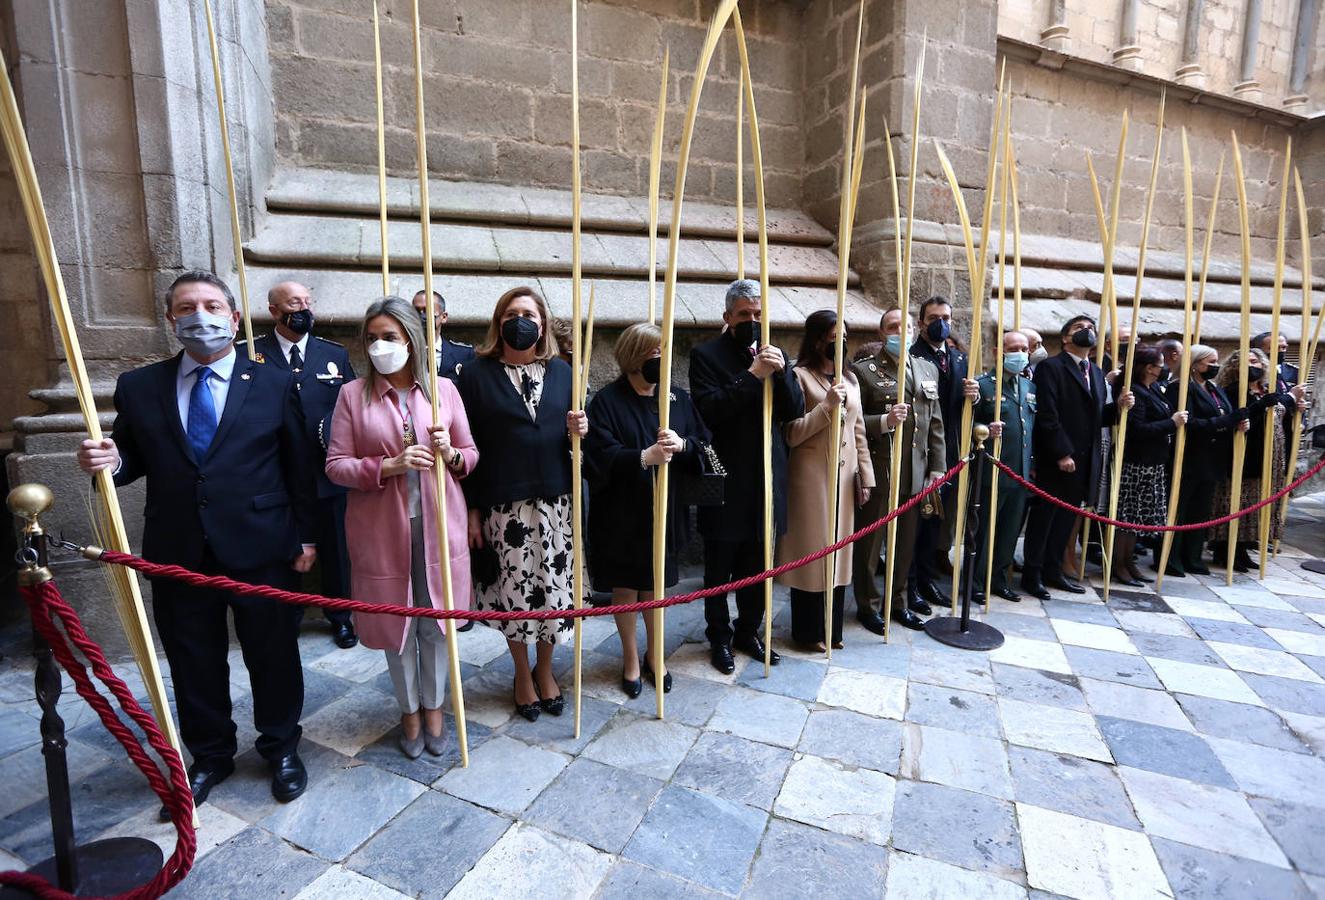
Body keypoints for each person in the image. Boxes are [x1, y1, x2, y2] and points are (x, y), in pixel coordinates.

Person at [77, 270, 316, 813]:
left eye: (211, 306)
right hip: (178, 547)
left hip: (262, 545)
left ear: (234, 319)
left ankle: (280, 746)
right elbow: (128, 459)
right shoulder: (141, 387)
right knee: (192, 657)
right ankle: (210, 753)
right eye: (186, 307)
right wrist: (107, 465)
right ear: (171, 319)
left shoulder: (275, 383)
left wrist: (307, 539)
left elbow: (300, 468)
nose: (199, 316)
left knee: (272, 653)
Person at [326, 297, 473, 758]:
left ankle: (434, 707)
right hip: (381, 531)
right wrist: (387, 465)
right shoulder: (353, 394)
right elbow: (335, 465)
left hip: (438, 526)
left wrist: (450, 454)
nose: (379, 346)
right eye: (371, 338)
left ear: (411, 338)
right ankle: (408, 710)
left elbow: (470, 455)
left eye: (389, 337)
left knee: (435, 624)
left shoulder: (443, 390)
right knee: (399, 625)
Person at [456, 286, 587, 720]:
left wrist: (579, 430)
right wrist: (472, 509)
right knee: (515, 595)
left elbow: (577, 446)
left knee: (554, 594)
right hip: (503, 506)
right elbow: (467, 446)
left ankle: (546, 670)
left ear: (543, 323)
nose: (520, 320)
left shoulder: (564, 373)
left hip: (557, 503)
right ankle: (521, 673)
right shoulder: (474, 375)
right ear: (499, 322)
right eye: (511, 313)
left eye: (529, 313)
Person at [584, 323, 709, 696]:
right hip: (621, 512)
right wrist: (643, 456)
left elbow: (704, 442)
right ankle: (630, 658)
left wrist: (683, 444)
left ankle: (656, 655)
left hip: (663, 508)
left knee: (655, 587)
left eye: (664, 353)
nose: (660, 360)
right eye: (654, 354)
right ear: (634, 357)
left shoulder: (675, 398)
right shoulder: (608, 401)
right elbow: (598, 454)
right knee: (626, 588)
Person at [689, 279, 804, 673]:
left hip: (766, 479)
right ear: (728, 317)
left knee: (759, 565)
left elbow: (793, 409)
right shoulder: (705, 356)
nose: (752, 321)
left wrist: (782, 371)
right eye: (744, 315)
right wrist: (752, 376)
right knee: (719, 567)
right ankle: (718, 636)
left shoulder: (775, 354)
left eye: (758, 314)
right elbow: (710, 411)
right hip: (724, 478)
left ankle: (748, 630)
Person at [252, 280, 358, 650]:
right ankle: (288, 616)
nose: (303, 309)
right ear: (274, 311)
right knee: (284, 550)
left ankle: (341, 617)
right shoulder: (252, 355)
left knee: (337, 550)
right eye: (293, 303)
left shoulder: (333, 354)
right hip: (277, 474)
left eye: (307, 301)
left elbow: (352, 407)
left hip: (327, 473)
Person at [778, 310, 873, 651]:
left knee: (840, 553)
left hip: (845, 476)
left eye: (844, 337)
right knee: (814, 553)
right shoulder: (799, 376)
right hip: (811, 477)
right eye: (834, 338)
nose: (841, 343)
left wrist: (865, 477)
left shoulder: (851, 378)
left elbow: (858, 431)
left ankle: (832, 629)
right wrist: (826, 407)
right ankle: (807, 631)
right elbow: (791, 433)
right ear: (818, 340)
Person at [1021, 315, 1134, 600]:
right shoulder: (1051, 367)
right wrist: (1061, 452)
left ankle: (1053, 569)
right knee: (1045, 518)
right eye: (1079, 329)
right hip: (1059, 458)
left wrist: (1118, 408)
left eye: (1091, 329)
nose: (1087, 332)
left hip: (1086, 460)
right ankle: (1032, 573)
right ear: (1065, 338)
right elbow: (1048, 413)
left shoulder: (1095, 372)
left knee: (1066, 519)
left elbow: (1097, 418)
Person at [851, 307, 945, 632]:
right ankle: (869, 605)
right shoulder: (864, 371)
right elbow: (853, 422)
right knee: (870, 544)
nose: (900, 332)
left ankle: (898, 602)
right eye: (893, 327)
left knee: (905, 544)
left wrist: (937, 468)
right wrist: (884, 422)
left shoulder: (927, 368)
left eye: (905, 326)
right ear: (881, 333)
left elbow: (936, 424)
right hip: (880, 469)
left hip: (915, 472)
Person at [908, 297, 979, 604]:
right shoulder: (913, 356)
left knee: (937, 521)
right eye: (934, 317)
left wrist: (972, 398)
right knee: (917, 524)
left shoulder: (959, 359)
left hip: (949, 452)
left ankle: (926, 578)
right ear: (922, 322)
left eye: (946, 317)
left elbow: (960, 409)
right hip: (920, 453)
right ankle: (909, 584)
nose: (941, 322)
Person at [1210, 349, 1307, 571]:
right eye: (1247, 362)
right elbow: (1240, 415)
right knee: (1237, 501)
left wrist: (1294, 408)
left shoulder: (1265, 389)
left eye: (1256, 361)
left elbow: (1277, 414)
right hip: (1245, 455)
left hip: (1269, 456)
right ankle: (1227, 549)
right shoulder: (1234, 391)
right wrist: (1285, 398)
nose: (1254, 366)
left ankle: (1243, 547)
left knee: (1254, 504)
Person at [1164, 345, 1247, 576]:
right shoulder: (1180, 389)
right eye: (1209, 362)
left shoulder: (1214, 388)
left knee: (1199, 511)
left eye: (1216, 362)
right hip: (1190, 457)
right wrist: (1225, 422)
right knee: (1180, 510)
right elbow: (1189, 424)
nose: (1214, 366)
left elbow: (1225, 415)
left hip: (1213, 460)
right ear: (1194, 364)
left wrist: (1237, 423)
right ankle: (1171, 558)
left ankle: (1192, 556)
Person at [1112, 346, 1188, 587]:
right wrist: (1171, 423)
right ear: (1148, 367)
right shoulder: (1134, 392)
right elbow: (1137, 430)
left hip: (1154, 461)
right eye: (1159, 364)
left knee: (1137, 517)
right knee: (1127, 517)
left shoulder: (1153, 388)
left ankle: (1129, 561)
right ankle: (1118, 563)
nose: (1162, 368)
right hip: (1136, 462)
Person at [973, 331, 1033, 602]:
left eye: (1024, 348)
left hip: (1019, 472)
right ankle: (975, 581)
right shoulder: (984, 385)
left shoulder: (1028, 387)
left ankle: (998, 578)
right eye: (1014, 348)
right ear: (1000, 351)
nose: (1020, 353)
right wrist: (984, 430)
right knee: (984, 531)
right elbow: (967, 427)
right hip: (993, 471)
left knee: (1009, 531)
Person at [412, 289, 474, 380]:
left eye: (427, 310)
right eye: (416, 311)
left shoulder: (464, 355)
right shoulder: (404, 353)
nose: (421, 316)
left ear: (443, 317)